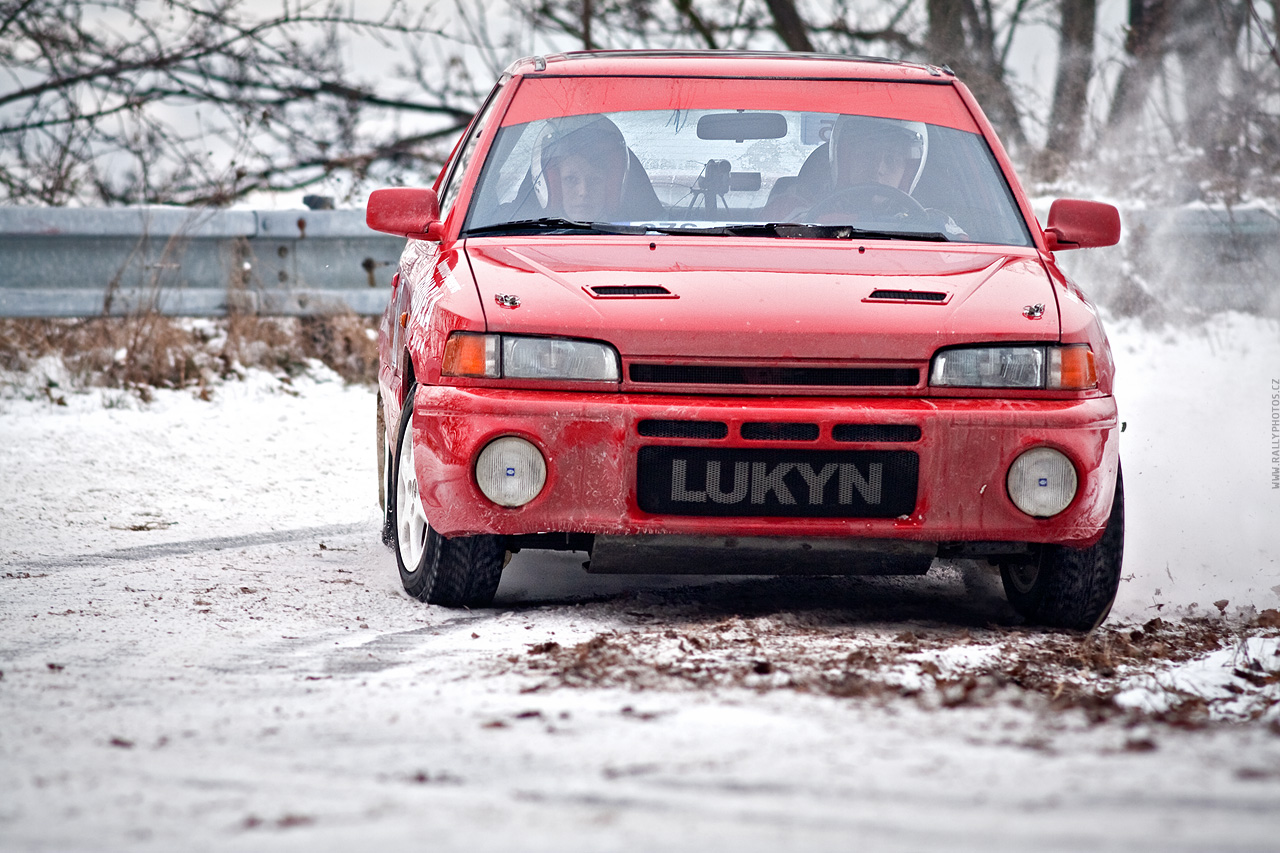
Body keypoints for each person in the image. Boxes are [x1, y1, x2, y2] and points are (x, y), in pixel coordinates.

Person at [531, 115, 664, 222]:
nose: (583, 192)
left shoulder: (639, 239)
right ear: (551, 184)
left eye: (595, 180)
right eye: (570, 179)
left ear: (612, 185)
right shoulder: (527, 236)